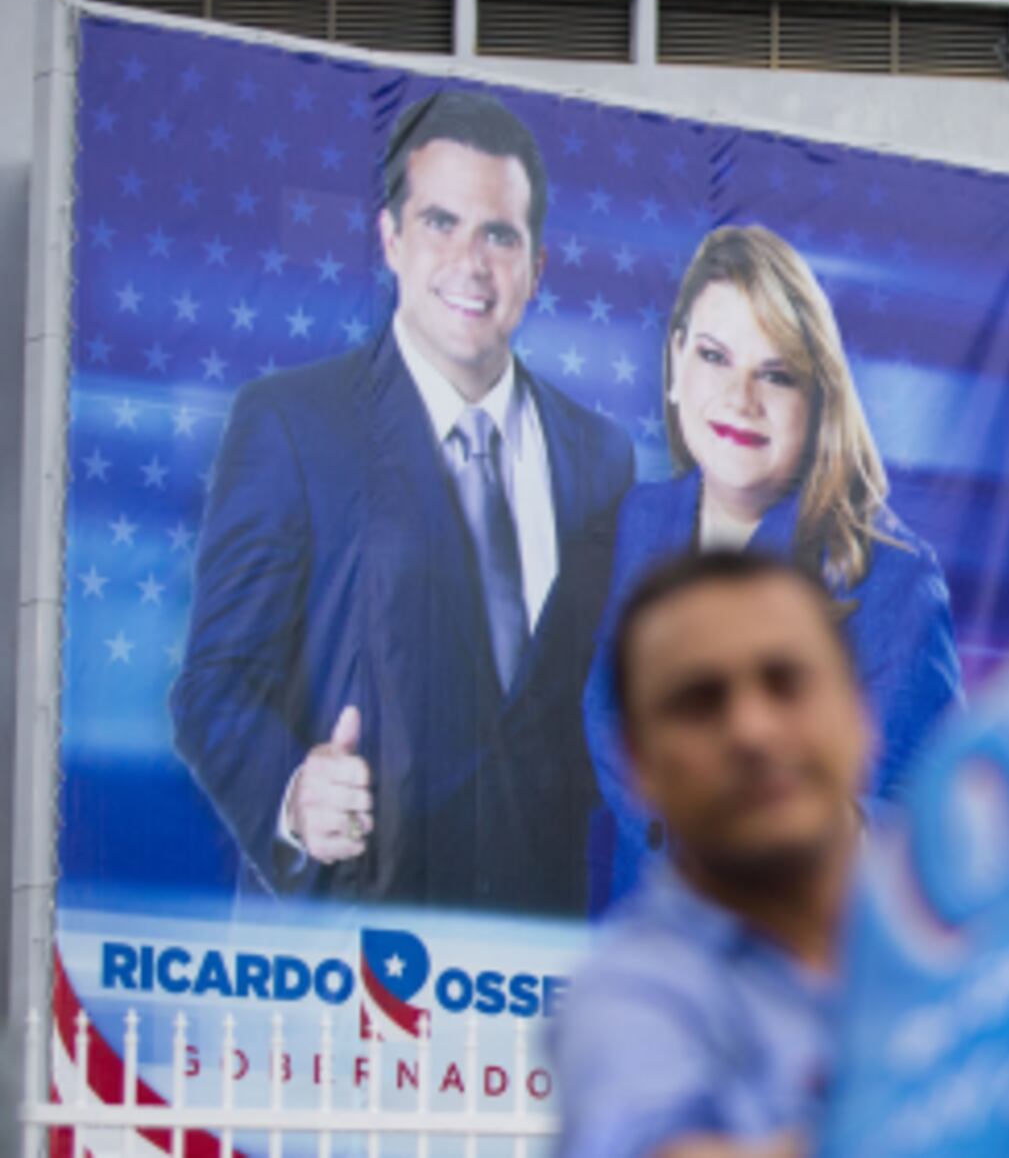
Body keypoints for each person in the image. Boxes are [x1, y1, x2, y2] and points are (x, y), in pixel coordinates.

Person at [171, 91, 634, 913]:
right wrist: (290, 795)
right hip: (350, 956)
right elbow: (213, 686)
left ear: (537, 265)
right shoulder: (291, 424)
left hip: (533, 957)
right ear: (390, 239)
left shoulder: (601, 457)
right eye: (440, 223)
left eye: (500, 234)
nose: (471, 262)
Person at [581, 225, 961, 910]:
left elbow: (931, 838)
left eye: (776, 374)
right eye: (715, 356)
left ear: (817, 401)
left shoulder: (892, 580)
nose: (740, 397)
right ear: (674, 363)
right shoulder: (628, 527)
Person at [554, 551, 868, 1158]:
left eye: (786, 682)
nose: (751, 729)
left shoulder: (987, 936)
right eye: (700, 701)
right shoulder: (629, 997)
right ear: (636, 763)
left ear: (861, 717)